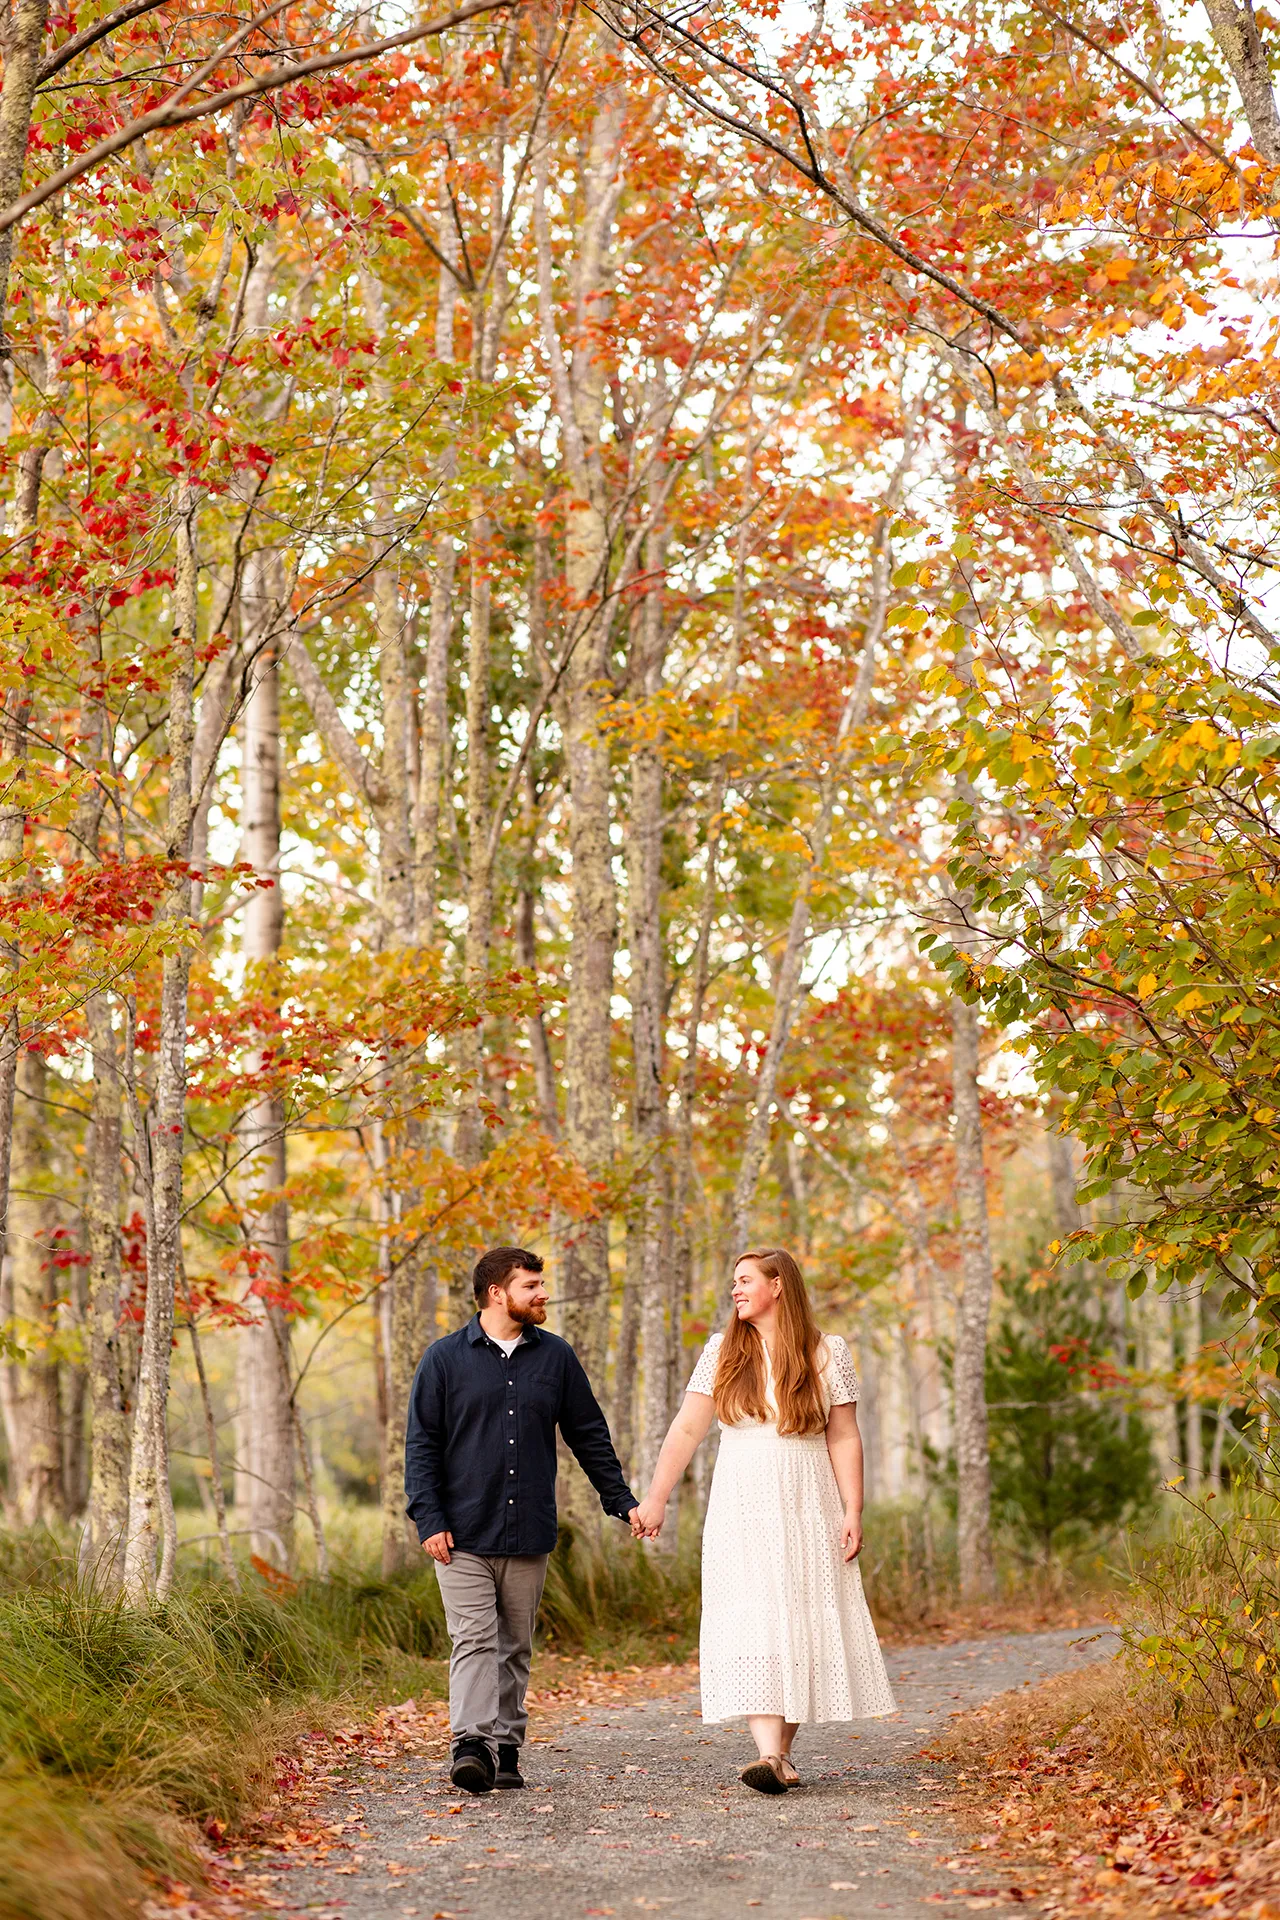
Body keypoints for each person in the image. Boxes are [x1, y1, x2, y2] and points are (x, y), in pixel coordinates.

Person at [634, 1246, 896, 1793]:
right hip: (742, 1497)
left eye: (745, 1280)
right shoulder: (722, 1350)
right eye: (734, 1281)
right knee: (754, 1617)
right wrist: (656, 1498)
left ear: (778, 1285)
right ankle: (770, 1755)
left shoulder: (828, 1352)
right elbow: (686, 1429)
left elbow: (843, 1434)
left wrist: (853, 1509)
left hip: (810, 1496)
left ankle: (778, 1757)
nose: (735, 1290)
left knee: (800, 1619)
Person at [405, 1245, 642, 1795]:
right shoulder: (443, 1359)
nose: (543, 1294)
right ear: (497, 1293)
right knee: (473, 1640)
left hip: (527, 1529)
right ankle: (470, 1744)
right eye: (531, 1285)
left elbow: (589, 1436)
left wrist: (622, 1501)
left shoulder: (555, 1357)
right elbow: (422, 1445)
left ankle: (505, 1748)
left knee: (515, 1644)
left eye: (540, 1284)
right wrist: (428, 1518)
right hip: (459, 1532)